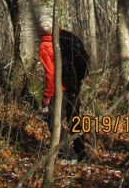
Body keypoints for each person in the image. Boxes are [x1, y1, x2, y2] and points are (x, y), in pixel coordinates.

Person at [39, 16, 89, 161]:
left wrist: (47, 97)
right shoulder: (67, 37)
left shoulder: (45, 46)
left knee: (53, 121)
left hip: (59, 89)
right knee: (74, 118)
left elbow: (50, 75)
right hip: (74, 84)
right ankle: (81, 152)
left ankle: (68, 154)